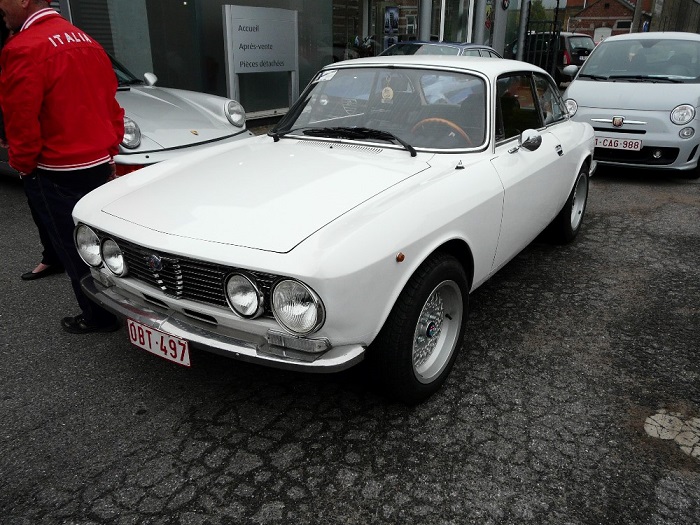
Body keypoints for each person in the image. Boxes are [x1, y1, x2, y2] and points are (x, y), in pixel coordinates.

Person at [0, 0, 125, 333]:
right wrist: (109, 149)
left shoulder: (23, 47)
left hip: (56, 168)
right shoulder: (86, 40)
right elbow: (111, 103)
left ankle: (97, 316)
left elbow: (21, 119)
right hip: (97, 162)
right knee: (99, 239)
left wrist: (22, 165)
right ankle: (120, 300)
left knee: (73, 246)